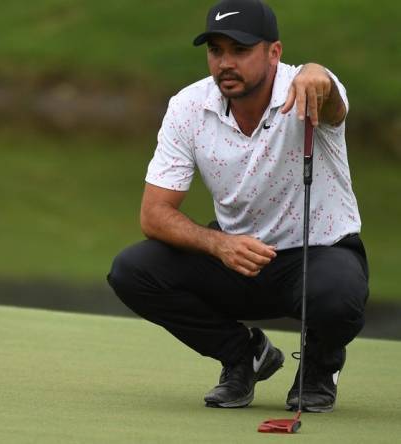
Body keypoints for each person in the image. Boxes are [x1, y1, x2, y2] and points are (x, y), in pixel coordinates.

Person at [107, 0, 368, 413]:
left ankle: (320, 365)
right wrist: (218, 245)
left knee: (338, 296)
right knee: (132, 270)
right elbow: (154, 214)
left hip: (317, 257)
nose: (225, 62)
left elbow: (332, 100)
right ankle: (243, 355)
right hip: (237, 257)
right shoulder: (188, 107)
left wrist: (319, 73)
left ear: (274, 52)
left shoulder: (308, 88)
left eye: (240, 50)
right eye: (216, 50)